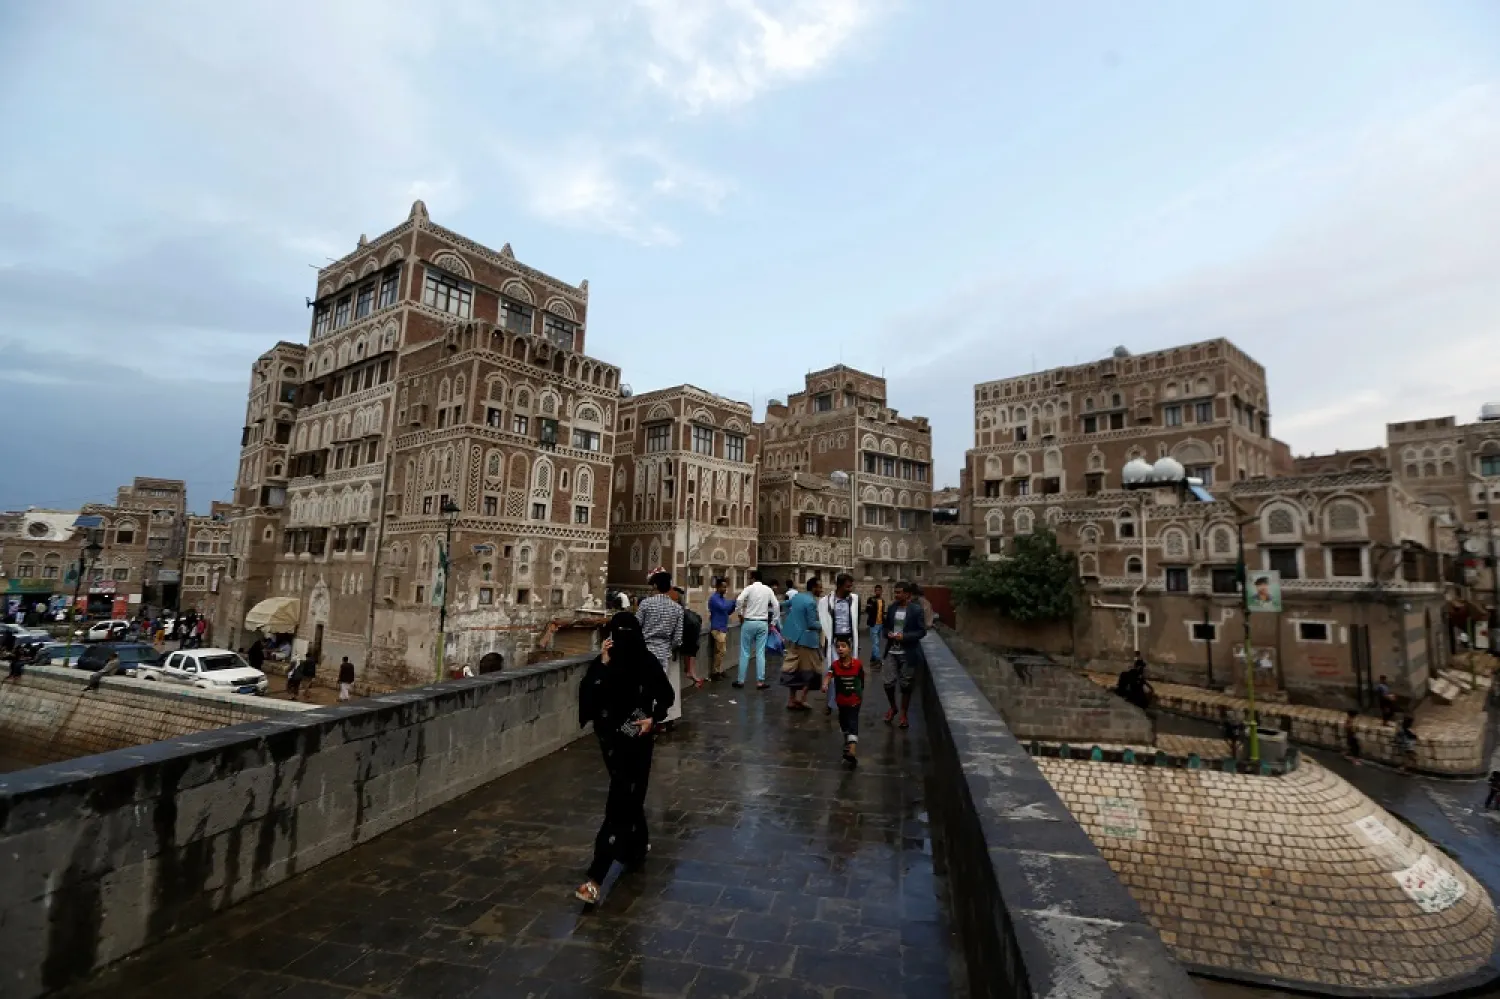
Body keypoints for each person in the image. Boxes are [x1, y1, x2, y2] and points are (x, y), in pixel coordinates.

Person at [574, 612, 675, 906]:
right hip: (610, 738)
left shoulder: (646, 662)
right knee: (630, 794)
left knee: (621, 799)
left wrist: (652, 719)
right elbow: (589, 698)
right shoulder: (604, 664)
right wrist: (602, 664)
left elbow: (665, 695)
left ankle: (595, 877)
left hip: (635, 730)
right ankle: (637, 846)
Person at [637, 570, 685, 725]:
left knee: (643, 692)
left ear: (655, 585)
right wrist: (667, 647)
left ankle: (638, 725)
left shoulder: (645, 604)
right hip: (663, 655)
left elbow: (635, 627)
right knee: (657, 690)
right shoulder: (677, 609)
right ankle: (653, 723)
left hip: (644, 653)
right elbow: (678, 639)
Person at [882, 581, 928, 729]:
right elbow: (885, 628)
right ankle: (893, 707)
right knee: (888, 682)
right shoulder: (891, 608)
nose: (896, 595)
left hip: (907, 652)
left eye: (899, 592)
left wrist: (905, 637)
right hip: (891, 651)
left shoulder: (916, 610)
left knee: (906, 685)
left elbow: (922, 631)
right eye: (895, 592)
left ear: (907, 594)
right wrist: (888, 634)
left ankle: (903, 713)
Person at [780, 577, 824, 711]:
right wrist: (824, 624)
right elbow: (811, 624)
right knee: (812, 671)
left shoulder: (798, 597)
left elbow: (784, 605)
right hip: (808, 641)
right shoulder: (811, 602)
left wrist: (793, 621)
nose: (821, 590)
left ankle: (791, 699)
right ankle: (802, 699)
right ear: (813, 588)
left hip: (795, 638)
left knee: (794, 670)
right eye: (820, 587)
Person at [818, 573, 858, 715]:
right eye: (848, 586)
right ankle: (830, 703)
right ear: (840, 586)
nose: (850, 588)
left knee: (848, 672)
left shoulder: (853, 600)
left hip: (849, 641)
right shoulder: (827, 601)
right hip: (834, 642)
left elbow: (855, 621)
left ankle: (847, 702)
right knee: (832, 672)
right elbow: (823, 620)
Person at [733, 569, 779, 690]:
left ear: (753, 578)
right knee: (760, 653)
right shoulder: (768, 590)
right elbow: (776, 605)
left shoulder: (749, 588)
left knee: (744, 652)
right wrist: (773, 622)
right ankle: (760, 681)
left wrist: (740, 613)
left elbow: (739, 600)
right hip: (762, 623)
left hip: (749, 622)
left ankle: (741, 680)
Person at [825, 636, 865, 767]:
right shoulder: (835, 665)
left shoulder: (857, 664)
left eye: (843, 646)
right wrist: (825, 684)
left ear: (850, 648)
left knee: (853, 722)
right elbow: (829, 675)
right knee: (843, 722)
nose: (840, 649)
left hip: (854, 700)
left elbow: (861, 679)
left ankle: (852, 750)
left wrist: (859, 693)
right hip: (841, 701)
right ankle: (848, 742)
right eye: (838, 647)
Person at [670, 586, 704, 688]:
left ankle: (690, 670)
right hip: (690, 638)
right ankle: (690, 670)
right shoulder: (687, 613)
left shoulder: (677, 609)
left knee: (688, 646)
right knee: (691, 646)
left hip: (686, 638)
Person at [707, 578, 736, 681]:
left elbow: (728, 611)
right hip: (717, 628)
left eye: (725, 587)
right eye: (723, 587)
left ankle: (719, 670)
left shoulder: (723, 599)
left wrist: (733, 604)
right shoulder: (714, 599)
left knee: (719, 651)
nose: (725, 589)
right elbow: (724, 607)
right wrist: (733, 601)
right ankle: (715, 672)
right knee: (721, 650)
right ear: (718, 587)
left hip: (723, 627)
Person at [864, 585, 886, 672]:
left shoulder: (882, 601)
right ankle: (877, 660)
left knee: (877, 642)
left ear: (881, 591)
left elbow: (882, 612)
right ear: (874, 591)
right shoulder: (871, 599)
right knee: (875, 642)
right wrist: (871, 608)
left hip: (881, 624)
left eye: (879, 590)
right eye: (876, 590)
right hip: (874, 624)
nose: (877, 592)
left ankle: (873, 659)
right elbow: (867, 610)